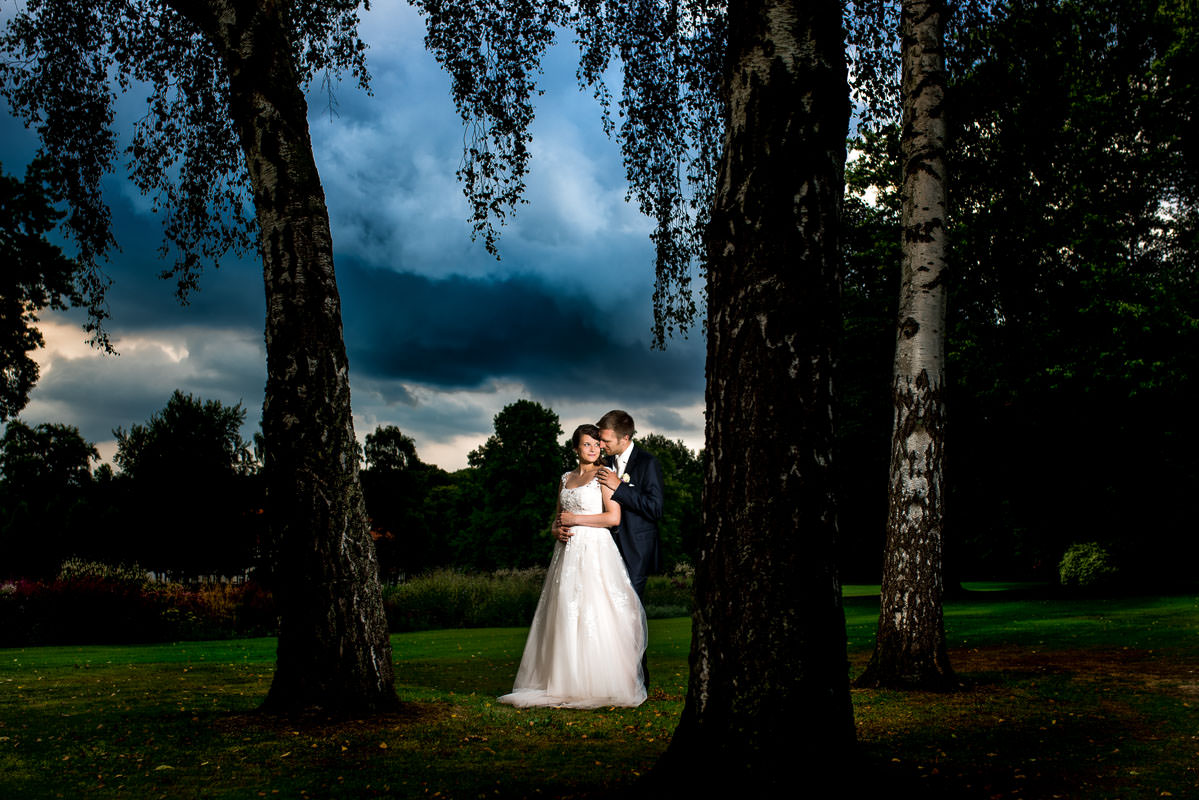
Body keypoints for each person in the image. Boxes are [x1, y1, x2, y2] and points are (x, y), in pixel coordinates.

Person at [498, 424, 648, 709]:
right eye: (587, 444)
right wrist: (557, 531)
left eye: (596, 444)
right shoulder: (565, 478)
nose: (593, 449)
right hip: (565, 554)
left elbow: (612, 518)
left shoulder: (604, 476)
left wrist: (576, 520)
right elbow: (557, 519)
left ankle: (597, 682)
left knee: (593, 611)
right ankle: (563, 680)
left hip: (595, 552)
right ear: (576, 447)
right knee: (565, 610)